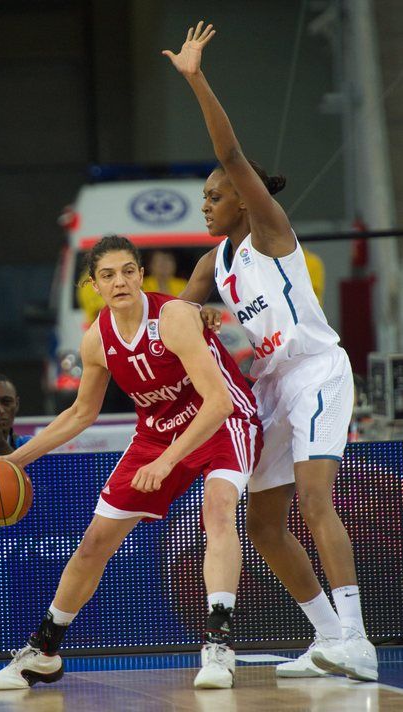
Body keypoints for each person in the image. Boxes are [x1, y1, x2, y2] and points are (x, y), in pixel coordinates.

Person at [164, 22, 377, 682]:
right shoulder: (214, 264)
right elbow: (168, 310)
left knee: (315, 501)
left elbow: (229, 152)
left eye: (215, 193)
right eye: (203, 196)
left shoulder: (267, 231)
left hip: (316, 371)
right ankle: (324, 640)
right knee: (262, 524)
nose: (207, 203)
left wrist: (196, 78)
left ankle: (358, 639)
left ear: (242, 194)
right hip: (270, 385)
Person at [0, 234, 262, 691]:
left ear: (140, 273)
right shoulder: (97, 340)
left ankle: (218, 643)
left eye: (128, 271)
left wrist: (168, 461)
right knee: (95, 540)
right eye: (108, 275)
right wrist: (15, 461)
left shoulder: (173, 318)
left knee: (216, 508)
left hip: (223, 421)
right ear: (94, 285)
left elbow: (216, 402)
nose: (120, 281)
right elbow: (80, 413)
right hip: (157, 433)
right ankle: (44, 650)